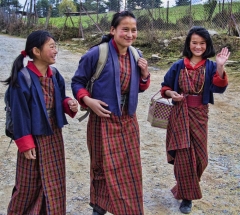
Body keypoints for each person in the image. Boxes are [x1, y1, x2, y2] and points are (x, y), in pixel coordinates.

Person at [71, 11, 150, 215]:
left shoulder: (136, 55)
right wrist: (87, 100)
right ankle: (99, 205)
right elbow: (77, 81)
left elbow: (141, 87)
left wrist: (145, 74)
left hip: (128, 119)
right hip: (102, 119)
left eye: (133, 30)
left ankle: (129, 210)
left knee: (129, 167)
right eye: (125, 29)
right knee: (101, 164)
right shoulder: (97, 54)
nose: (130, 34)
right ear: (113, 30)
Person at [5, 30, 78, 215]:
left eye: (56, 47)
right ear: (36, 51)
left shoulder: (55, 74)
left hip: (53, 135)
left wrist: (68, 103)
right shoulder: (23, 77)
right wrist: (25, 143)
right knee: (28, 185)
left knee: (54, 182)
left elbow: (60, 98)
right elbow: (20, 113)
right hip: (33, 138)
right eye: (51, 47)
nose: (56, 51)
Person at [160, 26, 230, 214]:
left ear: (207, 45)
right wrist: (170, 93)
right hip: (179, 114)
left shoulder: (210, 66)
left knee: (200, 158)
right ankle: (186, 197)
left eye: (202, 43)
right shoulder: (178, 65)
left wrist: (221, 65)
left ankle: (184, 187)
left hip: (200, 114)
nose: (198, 46)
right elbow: (164, 86)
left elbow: (219, 87)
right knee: (183, 155)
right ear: (188, 44)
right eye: (194, 43)